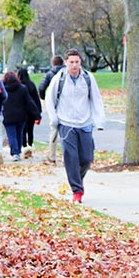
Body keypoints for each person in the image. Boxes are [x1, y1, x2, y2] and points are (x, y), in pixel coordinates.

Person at [47, 49, 106, 203]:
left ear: (80, 62)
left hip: (85, 123)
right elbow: (50, 99)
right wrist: (54, 119)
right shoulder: (59, 79)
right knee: (71, 157)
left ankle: (77, 179)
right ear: (66, 62)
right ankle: (77, 191)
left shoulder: (87, 78)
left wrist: (99, 121)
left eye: (77, 62)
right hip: (66, 124)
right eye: (71, 62)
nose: (74, 65)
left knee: (86, 158)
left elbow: (96, 100)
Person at [1, 71, 40, 162]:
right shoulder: (22, 88)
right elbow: (30, 102)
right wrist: (36, 114)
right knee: (19, 134)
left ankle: (15, 152)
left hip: (7, 116)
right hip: (21, 115)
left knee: (11, 135)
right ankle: (17, 150)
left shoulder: (3, 90)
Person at [38, 55, 65, 165]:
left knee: (54, 129)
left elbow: (41, 87)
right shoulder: (65, 73)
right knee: (66, 131)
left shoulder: (50, 74)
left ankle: (52, 156)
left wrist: (44, 97)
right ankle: (65, 157)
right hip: (66, 103)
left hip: (54, 104)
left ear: (53, 63)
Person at [17, 67, 41, 156]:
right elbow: (36, 99)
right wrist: (38, 111)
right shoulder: (31, 85)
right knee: (30, 130)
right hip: (31, 111)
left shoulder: (19, 85)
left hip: (22, 111)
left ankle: (24, 147)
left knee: (22, 130)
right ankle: (30, 146)